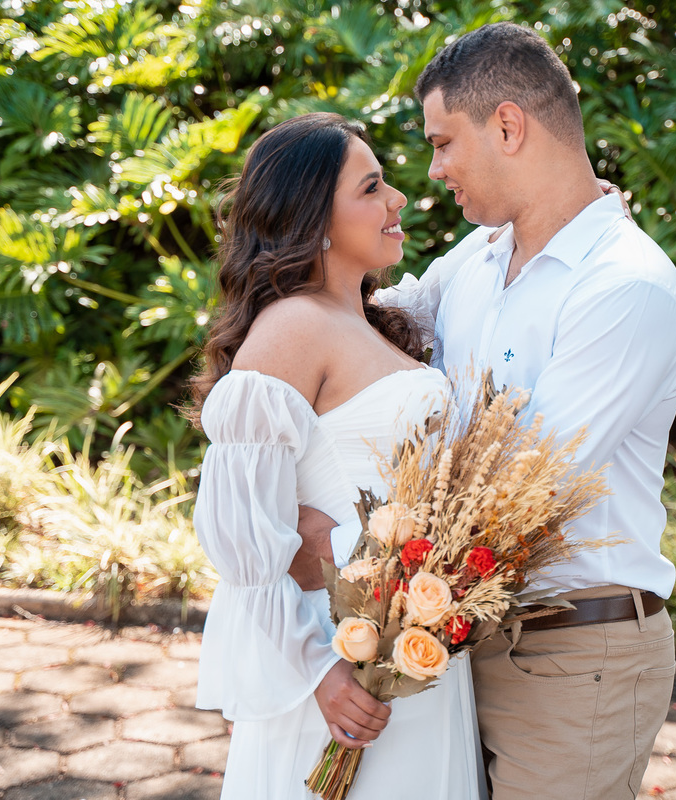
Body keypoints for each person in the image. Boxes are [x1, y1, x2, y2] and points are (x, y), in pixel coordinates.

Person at [293, 23, 676, 799]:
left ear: (508, 126)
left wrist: (331, 543)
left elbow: (516, 495)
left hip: (573, 657)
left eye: (444, 143)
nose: (434, 170)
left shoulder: (625, 287)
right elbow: (361, 336)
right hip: (449, 642)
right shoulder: (478, 259)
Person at [188, 112, 485, 799]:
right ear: (313, 217)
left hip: (415, 647)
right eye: (372, 187)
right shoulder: (294, 326)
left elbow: (478, 256)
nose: (398, 199)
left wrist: (584, 206)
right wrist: (320, 672)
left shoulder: (376, 321)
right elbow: (243, 534)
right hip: (341, 665)